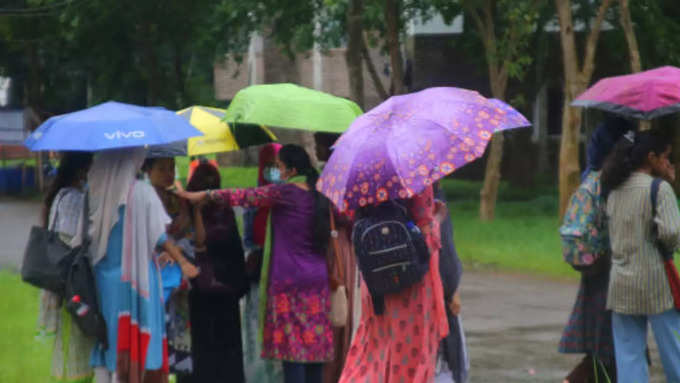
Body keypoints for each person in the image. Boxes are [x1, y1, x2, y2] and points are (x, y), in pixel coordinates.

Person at [178, 144, 334, 383]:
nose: (277, 174)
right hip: (316, 281)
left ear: (291, 170)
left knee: (293, 352)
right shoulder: (320, 194)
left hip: (289, 284)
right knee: (314, 351)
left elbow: (245, 196)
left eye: (280, 168)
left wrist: (204, 194)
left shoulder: (286, 193)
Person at [88, 148, 199, 383]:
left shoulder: (96, 191)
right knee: (139, 343)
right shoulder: (142, 193)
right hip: (139, 282)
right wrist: (183, 262)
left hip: (105, 282)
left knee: (109, 341)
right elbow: (160, 237)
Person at [338, 186, 450, 383]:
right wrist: (439, 216)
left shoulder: (362, 179)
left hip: (375, 281)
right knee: (410, 356)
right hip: (411, 282)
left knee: (374, 352)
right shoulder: (415, 177)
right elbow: (427, 238)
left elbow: (348, 217)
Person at [600, 130, 680, 382]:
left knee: (629, 355)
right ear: (651, 157)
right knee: (674, 348)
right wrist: (671, 183)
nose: (669, 163)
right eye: (665, 157)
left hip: (621, 283)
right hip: (655, 282)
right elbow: (672, 233)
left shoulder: (613, 189)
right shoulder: (659, 188)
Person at [558, 118, 632, 383]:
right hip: (610, 271)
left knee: (607, 348)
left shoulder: (591, 179)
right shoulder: (608, 184)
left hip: (595, 270)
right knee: (609, 349)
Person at [185, 162, 248, 382]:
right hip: (217, 288)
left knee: (209, 349)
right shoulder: (197, 212)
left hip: (209, 289)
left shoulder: (208, 210)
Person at [37, 151, 94, 383]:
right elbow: (72, 242)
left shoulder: (61, 194)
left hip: (63, 282)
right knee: (76, 343)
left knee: (71, 341)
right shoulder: (73, 198)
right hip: (72, 284)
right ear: (82, 170)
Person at [142, 157, 195, 381]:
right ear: (148, 170)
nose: (168, 173)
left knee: (178, 337)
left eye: (171, 168)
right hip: (154, 277)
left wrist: (177, 249)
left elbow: (190, 236)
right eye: (161, 168)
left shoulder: (178, 200)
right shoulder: (143, 199)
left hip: (178, 279)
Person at [241, 143, 285, 383]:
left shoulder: (289, 198)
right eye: (268, 166)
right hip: (261, 275)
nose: (272, 172)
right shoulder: (255, 200)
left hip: (283, 276)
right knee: (259, 329)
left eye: (276, 166)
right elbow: (248, 238)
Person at [433, 182, 469, 383]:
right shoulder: (431, 196)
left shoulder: (381, 193)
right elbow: (444, 249)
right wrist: (452, 289)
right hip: (432, 293)